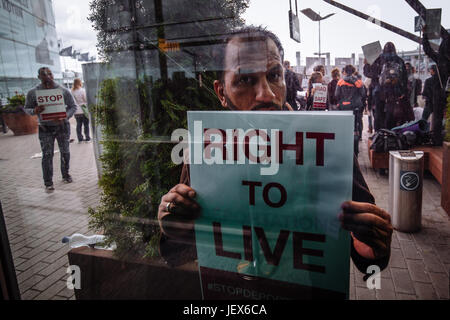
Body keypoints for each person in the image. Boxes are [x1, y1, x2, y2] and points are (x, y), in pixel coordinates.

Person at [157, 26, 392, 282]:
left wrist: (373, 246)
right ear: (221, 93)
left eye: (274, 75)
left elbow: (369, 261)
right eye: (245, 79)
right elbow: (178, 254)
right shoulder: (207, 150)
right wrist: (173, 227)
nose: (267, 94)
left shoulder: (324, 146)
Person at [24, 67, 77, 192]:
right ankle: (48, 182)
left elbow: (73, 106)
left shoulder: (63, 90)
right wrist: (34, 111)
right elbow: (27, 108)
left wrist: (65, 116)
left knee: (65, 152)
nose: (47, 76)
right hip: (45, 127)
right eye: (44, 74)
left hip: (62, 126)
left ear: (53, 75)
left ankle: (66, 175)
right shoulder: (33, 92)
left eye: (50, 74)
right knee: (47, 155)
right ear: (39, 77)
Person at [364, 42, 413, 130]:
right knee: (391, 113)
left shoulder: (378, 59)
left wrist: (367, 64)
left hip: (379, 91)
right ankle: (391, 132)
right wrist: (403, 92)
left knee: (378, 113)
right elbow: (405, 79)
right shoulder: (399, 60)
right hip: (394, 92)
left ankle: (379, 132)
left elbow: (368, 73)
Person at [421, 26, 449, 146]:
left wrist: (425, 35)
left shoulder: (441, 59)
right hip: (444, 92)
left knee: (437, 117)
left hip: (440, 91)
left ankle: (437, 141)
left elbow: (428, 50)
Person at [335, 65, 365, 156]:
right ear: (353, 71)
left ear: (344, 71)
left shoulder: (340, 82)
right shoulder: (359, 82)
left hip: (343, 108)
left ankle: (343, 148)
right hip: (355, 108)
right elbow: (363, 94)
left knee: (343, 128)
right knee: (355, 128)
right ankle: (355, 151)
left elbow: (336, 95)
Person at [71, 78, 91, 143]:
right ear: (80, 83)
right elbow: (85, 100)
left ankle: (80, 139)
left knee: (78, 125)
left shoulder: (72, 91)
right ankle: (87, 138)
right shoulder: (82, 90)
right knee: (86, 125)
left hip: (76, 111)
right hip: (83, 110)